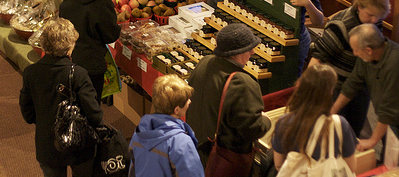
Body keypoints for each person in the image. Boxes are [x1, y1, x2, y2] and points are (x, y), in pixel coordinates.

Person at [19, 18, 104, 177]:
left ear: (44, 44)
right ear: (69, 47)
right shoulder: (79, 74)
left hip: (49, 144)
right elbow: (94, 113)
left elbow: (27, 113)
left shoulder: (31, 73)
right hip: (80, 145)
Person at [186, 23, 271, 169]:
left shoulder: (204, 62)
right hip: (221, 160)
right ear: (236, 52)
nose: (253, 52)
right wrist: (265, 121)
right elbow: (252, 129)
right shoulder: (242, 83)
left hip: (194, 149)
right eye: (248, 48)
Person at [309, 0, 391, 136]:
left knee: (353, 132)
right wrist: (308, 89)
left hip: (359, 86)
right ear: (359, 6)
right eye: (371, 15)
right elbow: (317, 57)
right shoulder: (341, 26)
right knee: (333, 132)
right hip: (335, 87)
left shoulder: (374, 20)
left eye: (379, 17)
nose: (375, 20)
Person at [332, 23, 399, 157]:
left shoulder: (396, 63)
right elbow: (353, 83)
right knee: (388, 158)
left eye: (356, 50)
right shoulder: (368, 56)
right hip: (390, 120)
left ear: (368, 50)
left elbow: (389, 109)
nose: (355, 53)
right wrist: (332, 111)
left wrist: (372, 141)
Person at [271, 63, 358, 174]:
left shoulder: (284, 122)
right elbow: (351, 167)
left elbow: (279, 165)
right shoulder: (340, 124)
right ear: (328, 93)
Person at [59, 0, 121, 100]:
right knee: (90, 106)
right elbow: (110, 35)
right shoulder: (101, 3)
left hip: (68, 59)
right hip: (91, 66)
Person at [130, 74, 205, 176]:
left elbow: (133, 169)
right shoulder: (181, 142)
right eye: (186, 100)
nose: (190, 101)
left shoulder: (139, 132)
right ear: (177, 110)